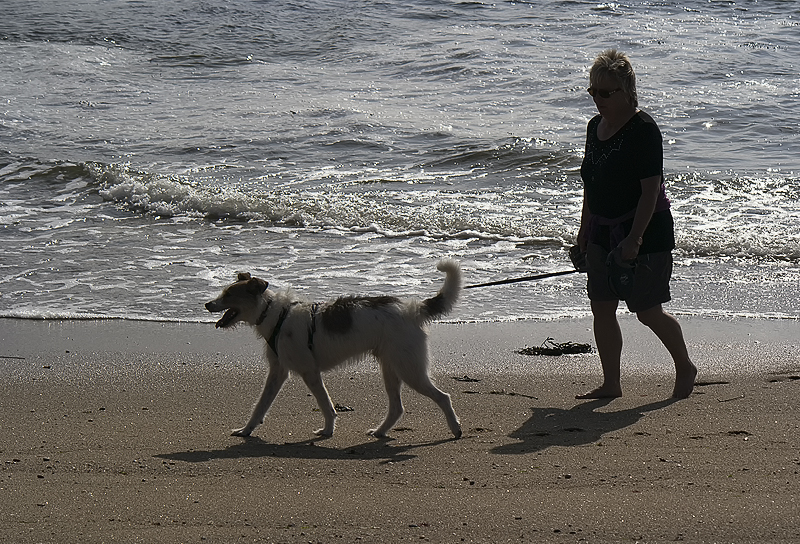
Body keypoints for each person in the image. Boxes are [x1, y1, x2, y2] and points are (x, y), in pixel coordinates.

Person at [575, 49, 697, 399]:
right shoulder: (594, 127)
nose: (598, 99)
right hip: (601, 227)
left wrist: (633, 239)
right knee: (601, 305)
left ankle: (685, 366)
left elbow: (649, 192)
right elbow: (592, 184)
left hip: (646, 229)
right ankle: (611, 383)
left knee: (646, 310)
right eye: (593, 91)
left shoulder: (644, 130)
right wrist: (584, 229)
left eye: (606, 92)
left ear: (628, 92)